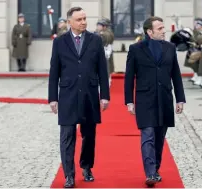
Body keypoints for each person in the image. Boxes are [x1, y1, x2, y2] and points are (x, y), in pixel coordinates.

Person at [48, 7, 110, 188]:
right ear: (70, 22)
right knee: (67, 136)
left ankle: (87, 167)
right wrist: (53, 98)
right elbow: (54, 72)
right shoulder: (59, 42)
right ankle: (69, 175)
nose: (83, 22)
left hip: (90, 94)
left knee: (89, 135)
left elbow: (102, 70)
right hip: (67, 94)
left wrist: (104, 95)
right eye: (79, 19)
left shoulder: (95, 40)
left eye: (85, 18)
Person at [124, 16, 186, 187]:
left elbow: (176, 75)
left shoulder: (170, 48)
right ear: (149, 32)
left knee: (159, 137)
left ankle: (155, 168)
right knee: (148, 135)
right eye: (159, 28)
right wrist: (129, 101)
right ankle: (150, 173)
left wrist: (180, 99)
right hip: (145, 99)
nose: (163, 31)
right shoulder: (136, 49)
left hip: (165, 98)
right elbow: (129, 77)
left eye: (163, 27)